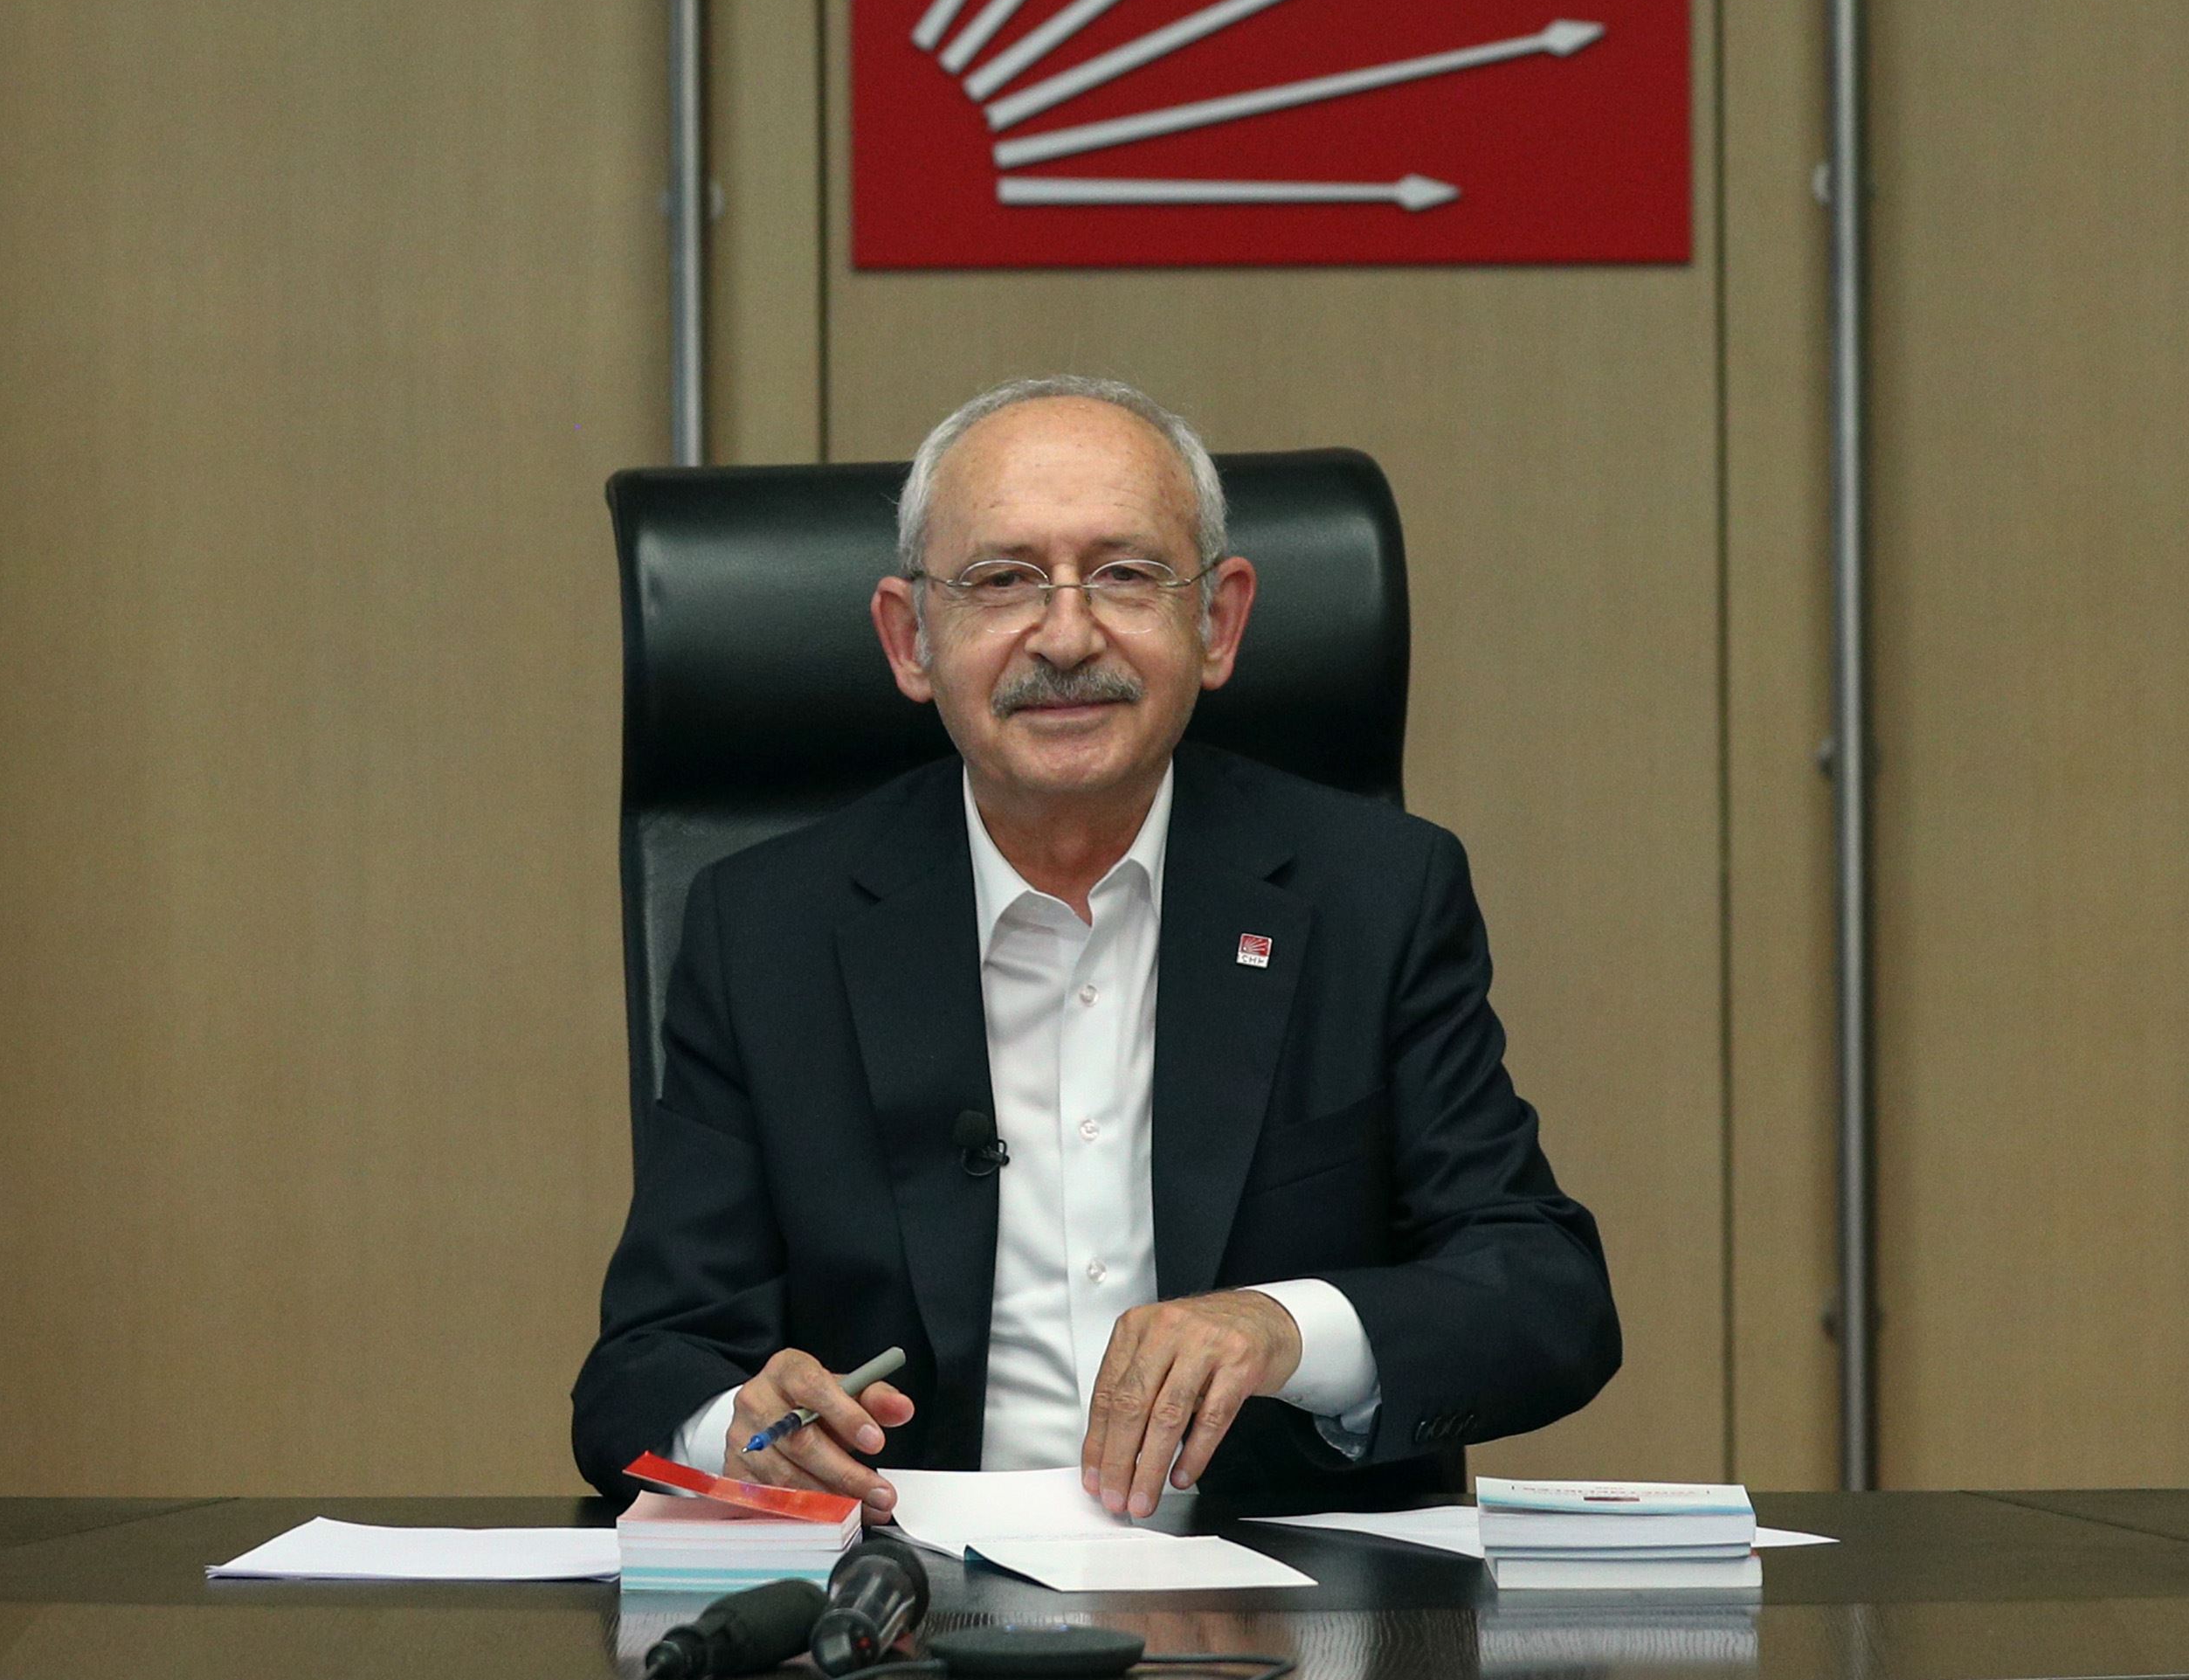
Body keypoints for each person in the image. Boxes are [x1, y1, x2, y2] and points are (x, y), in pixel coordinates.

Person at [570, 377, 1619, 1516]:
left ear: (1217, 622)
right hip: (910, 1590)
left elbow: (1545, 1292)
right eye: (1001, 580)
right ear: (910, 638)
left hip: (1279, 1588)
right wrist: (740, 1431)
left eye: (1124, 574)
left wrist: (1286, 1327)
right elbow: (642, 1369)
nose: (1067, 636)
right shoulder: (769, 928)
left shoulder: (1374, 895)